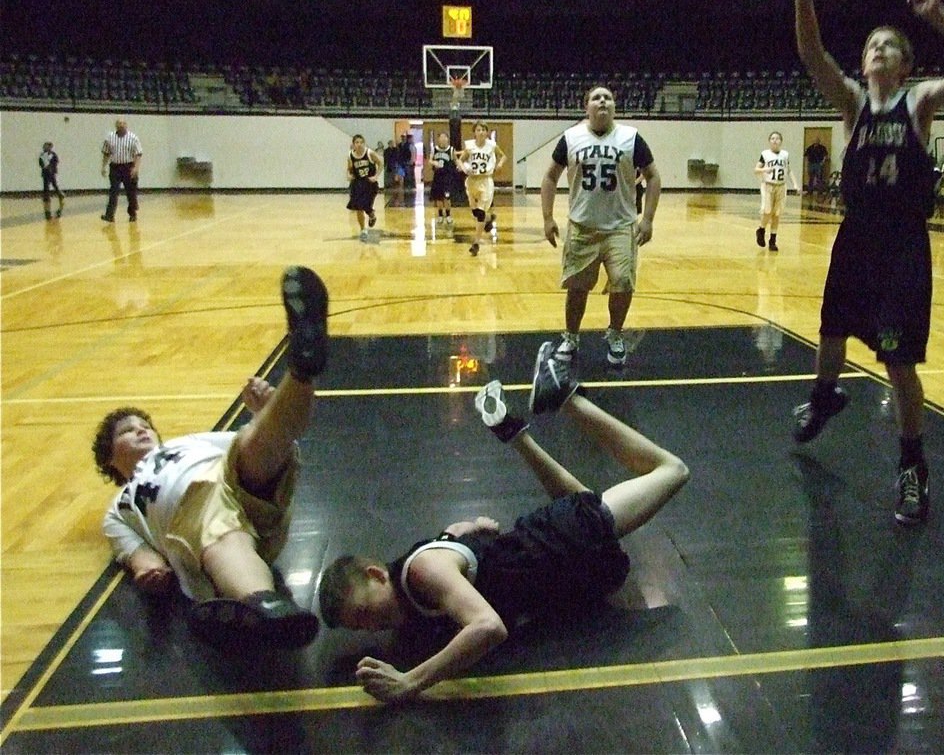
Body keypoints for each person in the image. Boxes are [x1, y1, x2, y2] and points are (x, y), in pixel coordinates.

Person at [777, 0, 944, 526]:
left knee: (899, 364)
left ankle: (912, 467)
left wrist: (940, 16)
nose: (878, 51)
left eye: (890, 46)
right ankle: (824, 398)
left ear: (904, 65)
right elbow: (809, 51)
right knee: (829, 332)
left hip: (903, 244)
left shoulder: (919, 103)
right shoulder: (849, 102)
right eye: (873, 45)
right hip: (856, 237)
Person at [317, 343, 689, 704]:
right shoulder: (416, 580)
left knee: (671, 471)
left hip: (562, 541)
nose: (371, 627)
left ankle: (567, 399)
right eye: (359, 627)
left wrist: (408, 683)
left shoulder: (422, 571)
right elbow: (453, 534)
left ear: (377, 575)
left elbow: (488, 627)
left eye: (365, 612)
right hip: (566, 568)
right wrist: (472, 531)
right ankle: (517, 435)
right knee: (583, 505)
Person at [94, 265, 329, 647]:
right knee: (219, 526)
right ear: (109, 460)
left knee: (257, 441)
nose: (141, 430)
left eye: (145, 425)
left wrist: (265, 410)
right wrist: (150, 573)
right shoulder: (118, 508)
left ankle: (302, 368)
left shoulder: (187, 442)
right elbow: (141, 560)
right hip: (195, 518)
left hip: (251, 493)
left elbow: (259, 442)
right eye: (127, 431)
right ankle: (262, 602)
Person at [541, 86, 661, 367]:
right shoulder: (571, 138)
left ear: (614, 106)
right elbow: (549, 177)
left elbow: (653, 177)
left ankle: (615, 334)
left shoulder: (631, 137)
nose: (603, 101)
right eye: (596, 97)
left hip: (620, 227)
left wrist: (648, 219)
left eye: (608, 97)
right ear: (587, 108)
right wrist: (547, 217)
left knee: (623, 284)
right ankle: (571, 337)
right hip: (582, 227)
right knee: (577, 287)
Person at [459, 121, 507, 256]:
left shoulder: (491, 145)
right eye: (478, 130)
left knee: (480, 213)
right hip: (472, 181)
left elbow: (503, 156)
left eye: (483, 130)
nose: (481, 132)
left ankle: (476, 243)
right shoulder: (469, 146)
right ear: (474, 132)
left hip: (485, 180)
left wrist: (500, 164)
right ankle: (489, 219)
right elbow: (461, 160)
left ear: (487, 132)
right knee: (475, 213)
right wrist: (463, 168)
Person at [755, 130, 800, 251]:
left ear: (781, 141)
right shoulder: (765, 154)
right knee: (767, 210)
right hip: (768, 185)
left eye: (777, 138)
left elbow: (789, 170)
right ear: (769, 141)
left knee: (777, 214)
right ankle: (761, 229)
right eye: (772, 138)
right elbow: (756, 169)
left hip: (781, 186)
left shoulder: (785, 154)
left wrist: (795, 184)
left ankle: (773, 240)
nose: (775, 140)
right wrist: (765, 169)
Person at [101, 118, 142, 223]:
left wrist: (136, 168)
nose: (121, 125)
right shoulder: (110, 137)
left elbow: (138, 154)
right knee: (113, 191)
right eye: (119, 124)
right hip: (115, 167)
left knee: (131, 192)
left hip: (128, 167)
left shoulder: (133, 138)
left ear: (126, 125)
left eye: (123, 123)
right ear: (116, 125)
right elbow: (106, 153)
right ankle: (109, 215)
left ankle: (132, 213)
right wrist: (103, 167)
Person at [346, 134, 383, 241]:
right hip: (357, 184)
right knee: (359, 207)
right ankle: (363, 230)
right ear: (353, 144)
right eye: (357, 142)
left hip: (370, 184)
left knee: (366, 205)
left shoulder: (369, 153)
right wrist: (348, 175)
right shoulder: (350, 155)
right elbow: (349, 169)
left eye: (361, 142)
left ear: (364, 143)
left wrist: (376, 176)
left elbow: (380, 163)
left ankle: (372, 215)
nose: (359, 144)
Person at [429, 130, 457, 229]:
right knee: (438, 198)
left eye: (445, 138)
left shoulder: (451, 149)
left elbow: (456, 161)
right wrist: (434, 163)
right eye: (441, 138)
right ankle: (440, 215)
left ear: (447, 139)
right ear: (438, 139)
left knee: (447, 197)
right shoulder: (434, 149)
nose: (443, 140)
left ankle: (448, 215)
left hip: (447, 177)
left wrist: (460, 167)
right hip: (438, 176)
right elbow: (430, 160)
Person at [39, 140, 65, 219]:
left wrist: (51, 167)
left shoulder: (53, 155)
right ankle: (46, 197)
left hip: (52, 173)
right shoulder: (42, 155)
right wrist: (44, 166)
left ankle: (59, 194)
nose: (45, 147)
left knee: (54, 185)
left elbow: (56, 162)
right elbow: (40, 162)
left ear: (50, 147)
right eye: (44, 146)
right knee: (46, 186)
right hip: (45, 173)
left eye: (47, 146)